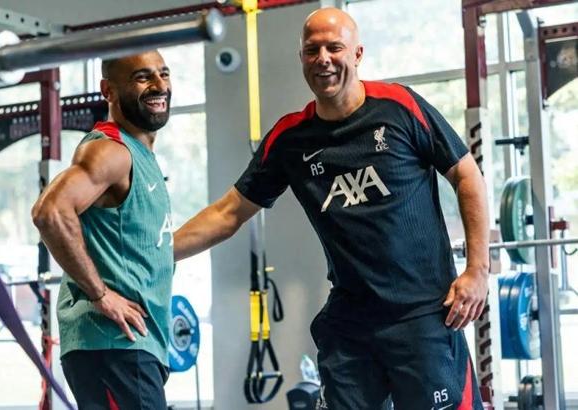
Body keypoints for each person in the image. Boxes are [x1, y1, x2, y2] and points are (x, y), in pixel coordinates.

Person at [174, 7, 489, 410]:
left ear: (357, 54)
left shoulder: (400, 107)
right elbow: (228, 213)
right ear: (302, 59)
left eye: (334, 48)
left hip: (424, 315)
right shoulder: (291, 139)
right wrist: (156, 256)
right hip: (351, 324)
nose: (323, 59)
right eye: (312, 50)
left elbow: (466, 175)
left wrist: (478, 270)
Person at [32, 51, 175, 410]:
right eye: (143, 77)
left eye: (164, 74)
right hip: (113, 344)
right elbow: (50, 212)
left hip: (130, 347)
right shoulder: (111, 151)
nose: (159, 85)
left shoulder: (141, 156)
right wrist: (101, 295)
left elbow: (155, 244)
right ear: (108, 91)